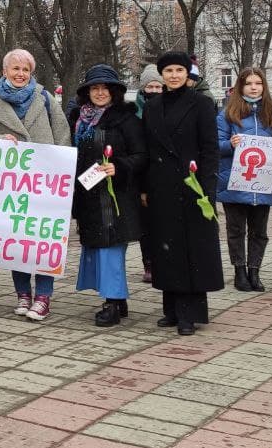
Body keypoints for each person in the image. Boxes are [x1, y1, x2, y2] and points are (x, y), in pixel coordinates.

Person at [142, 51, 224, 336]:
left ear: (188, 74)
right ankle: (171, 309)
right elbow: (148, 150)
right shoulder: (153, 107)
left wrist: (207, 188)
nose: (174, 75)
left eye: (179, 70)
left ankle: (191, 312)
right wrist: (144, 187)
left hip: (193, 187)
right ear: (161, 75)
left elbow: (210, 149)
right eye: (168, 71)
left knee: (192, 250)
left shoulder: (201, 104)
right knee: (167, 250)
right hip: (162, 186)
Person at [0, 48, 69, 320]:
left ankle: (43, 296)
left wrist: (61, 168)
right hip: (11, 182)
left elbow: (63, 132)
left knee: (44, 239)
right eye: (15, 69)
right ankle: (22, 293)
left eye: (25, 70)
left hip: (45, 181)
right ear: (5, 71)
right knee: (17, 238)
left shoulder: (44, 98)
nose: (20, 74)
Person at [68, 64, 147, 327]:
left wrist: (119, 166)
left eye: (105, 88)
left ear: (114, 91)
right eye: (94, 88)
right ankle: (118, 299)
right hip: (89, 197)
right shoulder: (78, 119)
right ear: (87, 92)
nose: (100, 93)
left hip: (116, 199)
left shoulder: (126, 119)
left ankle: (112, 303)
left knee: (112, 249)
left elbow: (141, 156)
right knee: (98, 248)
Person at [216, 67, 272, 292]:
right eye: (248, 83)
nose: (254, 87)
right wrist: (231, 144)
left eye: (258, 83)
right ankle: (239, 271)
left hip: (263, 181)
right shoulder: (228, 113)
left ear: (264, 87)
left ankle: (255, 271)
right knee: (236, 229)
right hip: (234, 181)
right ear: (240, 87)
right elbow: (215, 144)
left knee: (259, 231)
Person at [134, 63, 164, 283]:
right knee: (146, 225)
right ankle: (149, 263)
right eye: (150, 86)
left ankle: (164, 261)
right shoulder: (133, 112)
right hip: (141, 173)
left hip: (163, 172)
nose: (154, 90)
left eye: (158, 86)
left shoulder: (168, 108)